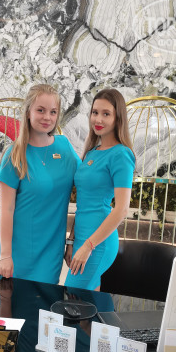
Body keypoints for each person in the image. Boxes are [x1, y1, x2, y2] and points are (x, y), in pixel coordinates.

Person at [0, 84, 80, 284]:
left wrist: (72, 240)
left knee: (46, 300)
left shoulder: (65, 147)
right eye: (40, 110)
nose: (47, 117)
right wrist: (5, 255)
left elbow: (88, 186)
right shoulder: (14, 155)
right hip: (19, 251)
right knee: (15, 300)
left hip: (52, 249)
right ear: (28, 112)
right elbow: (6, 210)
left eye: (53, 112)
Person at [64, 88, 135, 291]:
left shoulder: (121, 154)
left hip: (98, 243)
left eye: (106, 114)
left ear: (118, 118)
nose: (98, 119)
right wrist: (71, 241)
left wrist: (88, 246)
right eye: (95, 112)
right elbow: (83, 204)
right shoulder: (92, 152)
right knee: (87, 301)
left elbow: (121, 209)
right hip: (82, 238)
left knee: (72, 297)